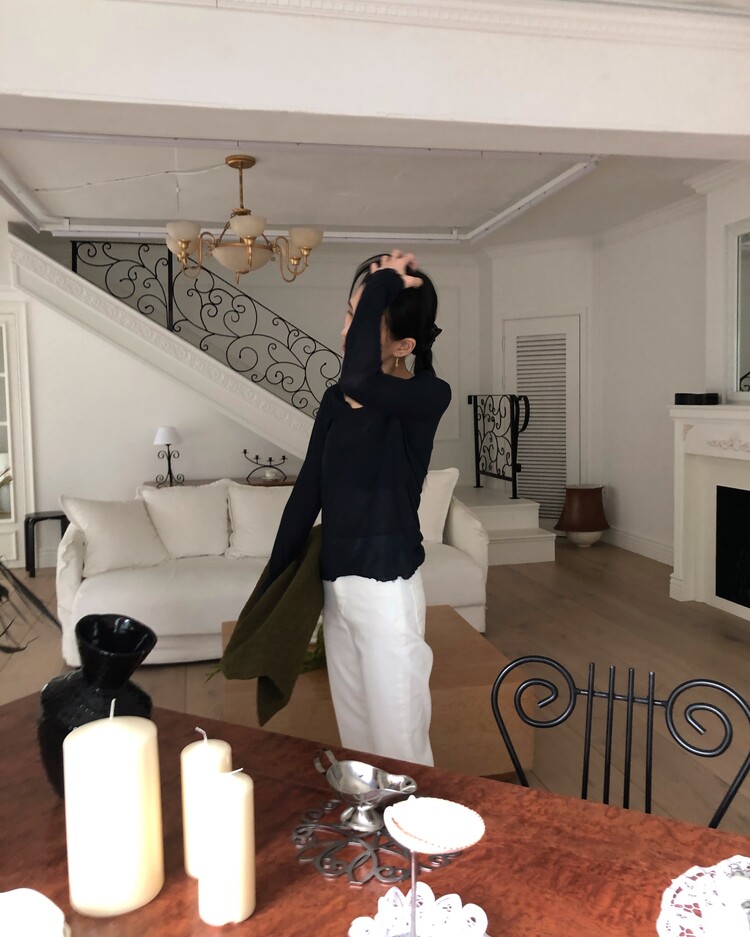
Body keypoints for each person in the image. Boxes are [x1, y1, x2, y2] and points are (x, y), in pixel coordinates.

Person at [265, 249, 451, 765]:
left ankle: (414, 817)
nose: (348, 331)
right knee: (358, 737)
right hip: (336, 584)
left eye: (364, 318)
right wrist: (273, 582)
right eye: (350, 313)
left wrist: (385, 282)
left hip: (388, 588)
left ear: (405, 346)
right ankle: (370, 814)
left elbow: (360, 380)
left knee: (400, 742)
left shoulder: (428, 395)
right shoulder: (334, 401)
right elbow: (308, 491)